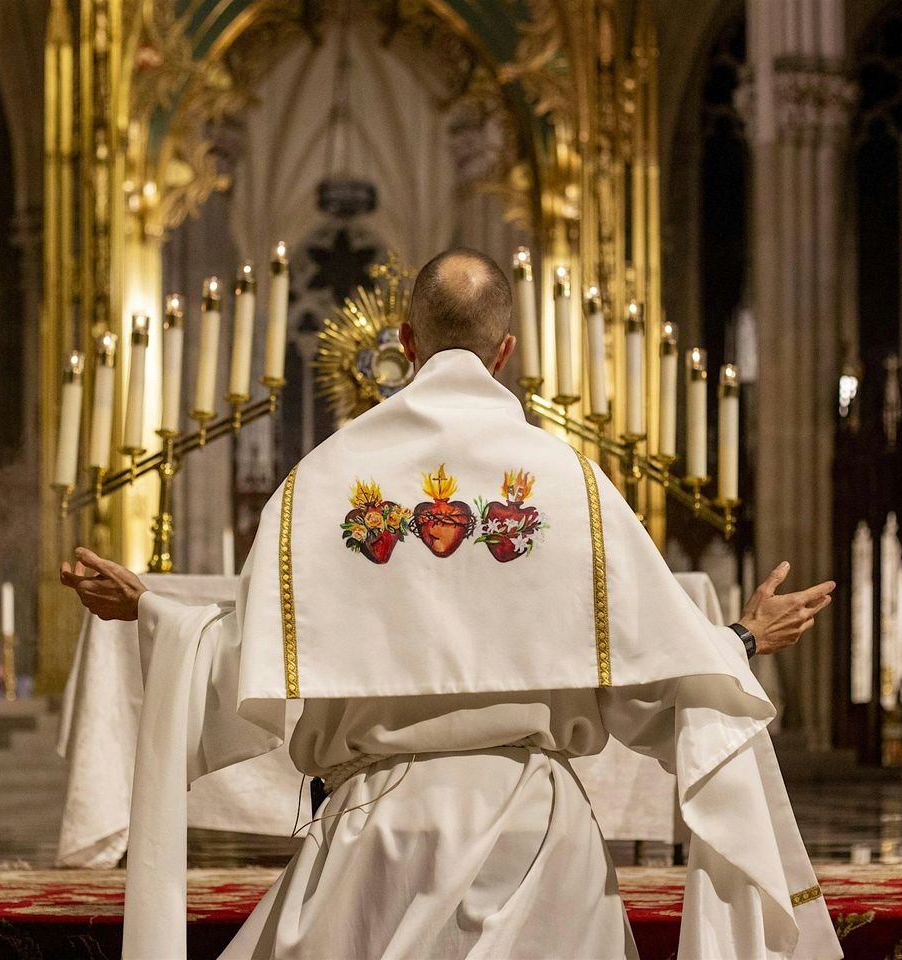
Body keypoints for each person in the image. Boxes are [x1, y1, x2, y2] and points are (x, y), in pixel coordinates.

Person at [62, 248, 841, 960]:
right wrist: (741, 637)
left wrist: (152, 610)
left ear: (405, 342)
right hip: (538, 846)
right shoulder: (570, 488)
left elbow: (238, 658)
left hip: (376, 843)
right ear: (506, 353)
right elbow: (653, 677)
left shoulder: (320, 486)